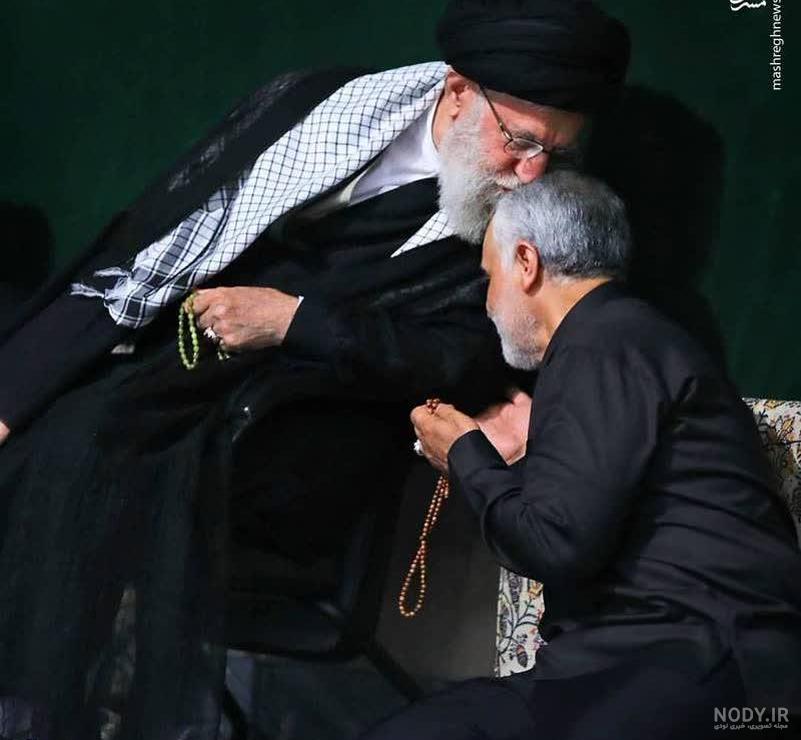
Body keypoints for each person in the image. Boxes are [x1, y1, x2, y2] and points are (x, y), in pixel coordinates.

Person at [0, 2, 630, 738]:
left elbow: (463, 356)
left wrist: (294, 320)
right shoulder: (317, 107)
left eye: (557, 152)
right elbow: (157, 241)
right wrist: (11, 397)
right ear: (458, 92)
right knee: (39, 421)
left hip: (299, 426)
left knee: (83, 445)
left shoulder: (543, 214)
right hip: (178, 358)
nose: (532, 174)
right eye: (518, 141)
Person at [388, 171, 801, 740]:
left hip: (699, 665)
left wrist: (464, 455)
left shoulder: (601, 342)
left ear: (526, 262)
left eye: (489, 277)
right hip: (645, 665)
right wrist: (514, 462)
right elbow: (589, 520)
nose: (488, 302)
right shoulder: (624, 339)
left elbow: (555, 544)